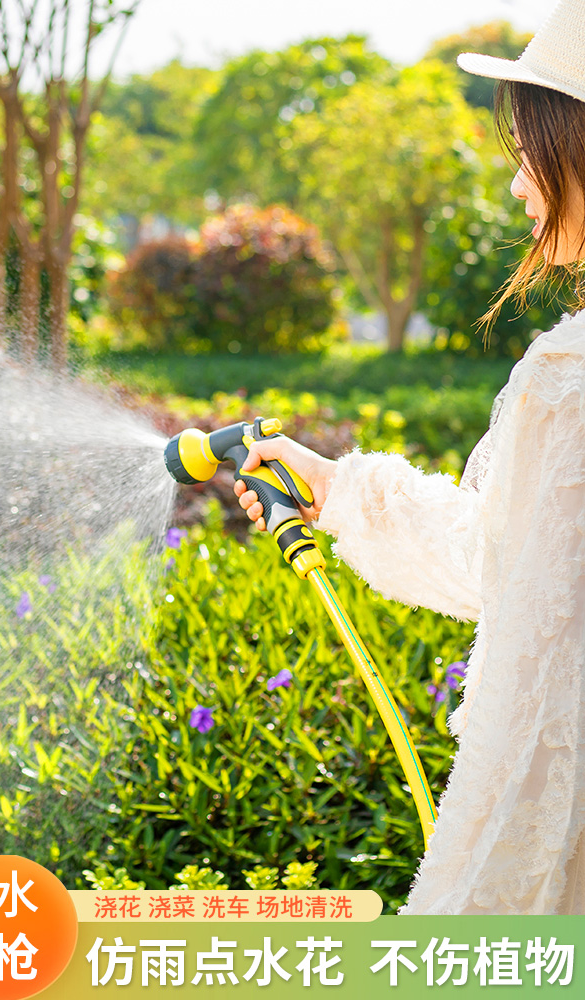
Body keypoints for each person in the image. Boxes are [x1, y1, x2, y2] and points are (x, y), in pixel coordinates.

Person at [235, 0, 585, 915]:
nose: (520, 189)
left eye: (527, 158)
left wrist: (470, 914)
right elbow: (542, 576)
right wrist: (338, 487)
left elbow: (534, 651)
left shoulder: (570, 381)